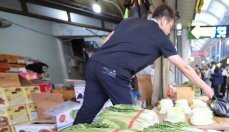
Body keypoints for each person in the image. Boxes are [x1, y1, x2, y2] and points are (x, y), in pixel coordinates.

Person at [74, 4, 214, 124]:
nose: (169, 31)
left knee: (88, 109)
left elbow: (107, 41)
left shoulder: (129, 21)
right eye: (170, 27)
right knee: (129, 117)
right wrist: (205, 86)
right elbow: (184, 67)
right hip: (113, 72)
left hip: (94, 63)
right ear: (163, 21)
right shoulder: (162, 39)